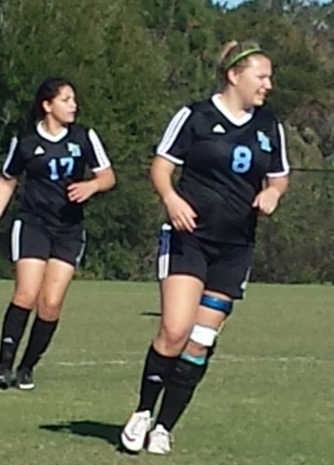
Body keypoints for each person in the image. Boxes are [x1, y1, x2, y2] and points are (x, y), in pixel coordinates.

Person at [120, 40, 290, 455]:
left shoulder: (270, 126)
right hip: (190, 239)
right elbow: (161, 167)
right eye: (261, 76)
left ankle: (164, 427)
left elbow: (279, 175)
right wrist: (171, 198)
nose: (268, 84)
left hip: (235, 248)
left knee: (200, 342)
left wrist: (273, 193)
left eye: (269, 77)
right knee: (175, 331)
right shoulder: (195, 116)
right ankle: (143, 411)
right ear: (234, 75)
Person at [0, 76, 116, 390]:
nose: (73, 105)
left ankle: (26, 368)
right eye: (66, 100)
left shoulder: (83, 137)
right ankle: (3, 367)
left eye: (74, 99)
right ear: (47, 105)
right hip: (33, 224)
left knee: (50, 304)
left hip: (69, 229)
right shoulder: (26, 140)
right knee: (26, 294)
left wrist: (92, 186)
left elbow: (107, 176)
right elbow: (7, 181)